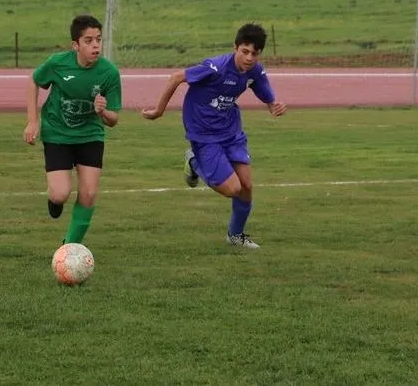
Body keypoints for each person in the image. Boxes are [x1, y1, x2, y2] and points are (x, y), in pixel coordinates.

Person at [142, 24, 287, 249]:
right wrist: (158, 111)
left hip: (231, 131)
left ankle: (235, 236)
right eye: (245, 51)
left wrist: (273, 105)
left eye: (255, 53)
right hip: (203, 133)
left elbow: (263, 89)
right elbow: (176, 77)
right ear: (235, 48)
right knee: (232, 189)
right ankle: (193, 161)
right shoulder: (215, 67)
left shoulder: (254, 70)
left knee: (246, 186)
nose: (249, 58)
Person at [24, 15, 122, 246]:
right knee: (60, 193)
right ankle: (54, 201)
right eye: (88, 40)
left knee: (89, 194)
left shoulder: (109, 73)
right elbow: (34, 81)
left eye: (98, 39)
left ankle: (69, 248)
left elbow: (114, 119)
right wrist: (32, 121)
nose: (96, 45)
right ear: (75, 45)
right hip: (57, 133)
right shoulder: (58, 63)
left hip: (90, 135)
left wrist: (102, 112)